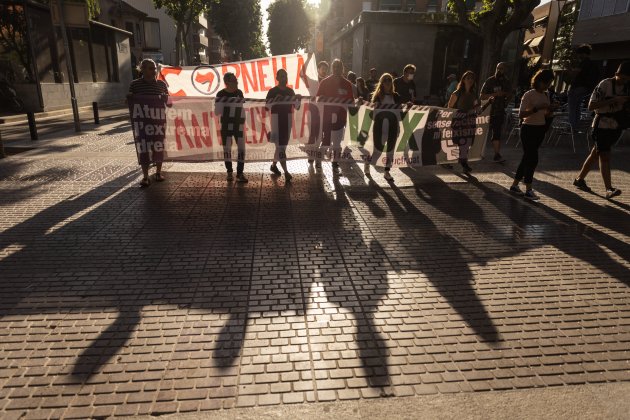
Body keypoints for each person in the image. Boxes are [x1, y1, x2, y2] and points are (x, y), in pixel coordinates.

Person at [573, 61, 630, 199]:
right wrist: (613, 100)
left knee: (595, 153)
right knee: (605, 155)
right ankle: (608, 189)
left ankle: (579, 179)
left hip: (616, 125)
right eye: (622, 78)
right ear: (616, 74)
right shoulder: (605, 84)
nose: (623, 81)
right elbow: (591, 106)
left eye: (627, 79)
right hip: (601, 125)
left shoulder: (628, 88)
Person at [509, 69, 556, 201]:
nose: (548, 86)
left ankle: (514, 185)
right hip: (528, 128)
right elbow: (521, 114)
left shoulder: (546, 95)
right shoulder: (529, 94)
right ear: (539, 81)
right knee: (532, 158)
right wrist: (537, 108)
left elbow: (544, 114)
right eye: (546, 83)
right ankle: (528, 189)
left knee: (526, 158)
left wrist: (550, 110)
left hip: (540, 128)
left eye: (550, 83)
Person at [128, 58, 169, 187]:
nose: (153, 71)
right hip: (142, 123)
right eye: (150, 68)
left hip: (158, 122)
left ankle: (158, 172)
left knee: (158, 147)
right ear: (142, 69)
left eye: (154, 68)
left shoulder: (162, 84)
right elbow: (129, 103)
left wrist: (165, 98)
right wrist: (129, 97)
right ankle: (145, 176)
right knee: (144, 149)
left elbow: (170, 104)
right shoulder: (135, 85)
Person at [315, 59, 354, 170]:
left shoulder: (347, 84)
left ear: (342, 68)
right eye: (335, 66)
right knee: (326, 141)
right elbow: (317, 99)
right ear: (332, 68)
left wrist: (358, 102)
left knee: (337, 143)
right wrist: (323, 99)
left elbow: (351, 101)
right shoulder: (325, 82)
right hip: (327, 118)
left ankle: (335, 163)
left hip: (340, 119)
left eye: (339, 67)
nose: (337, 69)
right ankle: (319, 160)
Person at [365, 73, 401, 182]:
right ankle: (368, 163)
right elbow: (372, 113)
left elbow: (400, 112)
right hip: (380, 128)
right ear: (381, 83)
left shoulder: (396, 96)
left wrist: (408, 105)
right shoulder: (377, 96)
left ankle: (387, 171)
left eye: (389, 80)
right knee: (378, 151)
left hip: (393, 127)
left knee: (390, 150)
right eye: (385, 80)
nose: (388, 82)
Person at [266, 69, 299, 181]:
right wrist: (275, 99)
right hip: (276, 119)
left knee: (282, 146)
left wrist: (298, 99)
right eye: (282, 76)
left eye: (285, 75)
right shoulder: (272, 91)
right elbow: (266, 107)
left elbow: (297, 107)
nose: (284, 78)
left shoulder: (290, 91)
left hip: (287, 119)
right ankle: (286, 172)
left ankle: (274, 166)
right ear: (277, 78)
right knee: (280, 146)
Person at [215, 72, 248, 183]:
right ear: (227, 82)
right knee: (227, 149)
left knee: (242, 149)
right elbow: (217, 112)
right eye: (234, 80)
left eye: (236, 80)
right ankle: (229, 172)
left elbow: (242, 108)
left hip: (238, 125)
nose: (237, 82)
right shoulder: (220, 94)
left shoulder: (239, 93)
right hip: (226, 126)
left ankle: (240, 173)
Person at [447, 71, 480, 173]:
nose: (470, 80)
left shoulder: (474, 94)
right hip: (459, 121)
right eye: (468, 78)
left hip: (470, 121)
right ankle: (453, 162)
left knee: (466, 143)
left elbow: (477, 107)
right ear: (463, 80)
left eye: (472, 78)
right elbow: (450, 108)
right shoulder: (456, 93)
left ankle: (463, 162)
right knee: (459, 142)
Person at [481, 62, 512, 163]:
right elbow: (482, 95)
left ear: (505, 70)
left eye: (502, 69)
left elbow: (510, 94)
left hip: (499, 112)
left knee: (497, 133)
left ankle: (497, 155)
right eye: (498, 68)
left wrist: (505, 99)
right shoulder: (490, 81)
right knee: (482, 132)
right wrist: (495, 94)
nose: (499, 70)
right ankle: (477, 153)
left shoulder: (507, 82)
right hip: (487, 111)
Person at [567, 44, 599, 132]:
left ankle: (571, 127)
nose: (578, 56)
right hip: (586, 89)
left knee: (572, 108)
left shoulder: (584, 62)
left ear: (583, 53)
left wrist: (569, 69)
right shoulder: (593, 64)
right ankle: (576, 126)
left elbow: (574, 74)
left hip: (577, 87)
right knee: (577, 108)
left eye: (579, 54)